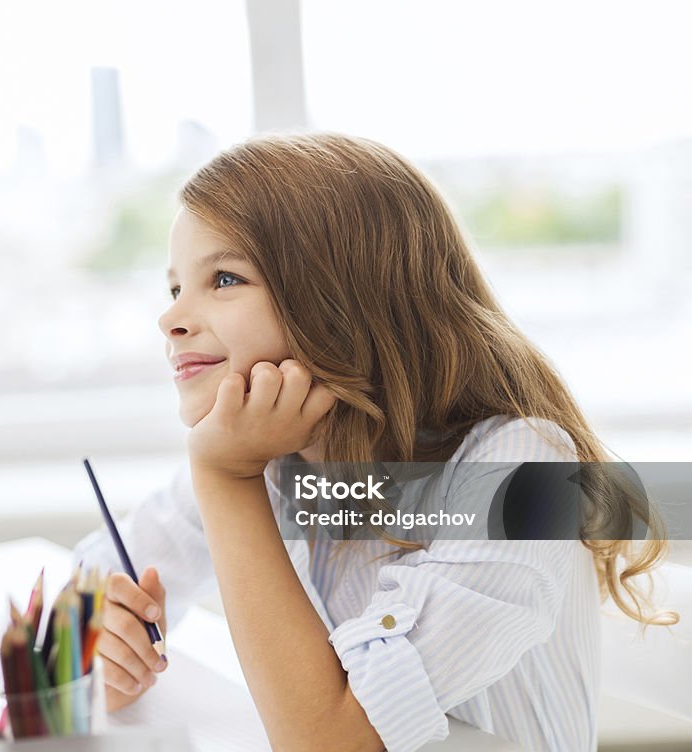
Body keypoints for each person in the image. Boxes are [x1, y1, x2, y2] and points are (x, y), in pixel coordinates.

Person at [73, 132, 677, 751]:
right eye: (176, 287)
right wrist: (102, 640)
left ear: (343, 299)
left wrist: (226, 479)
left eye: (224, 278)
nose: (170, 319)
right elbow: (86, 589)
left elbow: (331, 741)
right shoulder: (275, 457)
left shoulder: (520, 471)